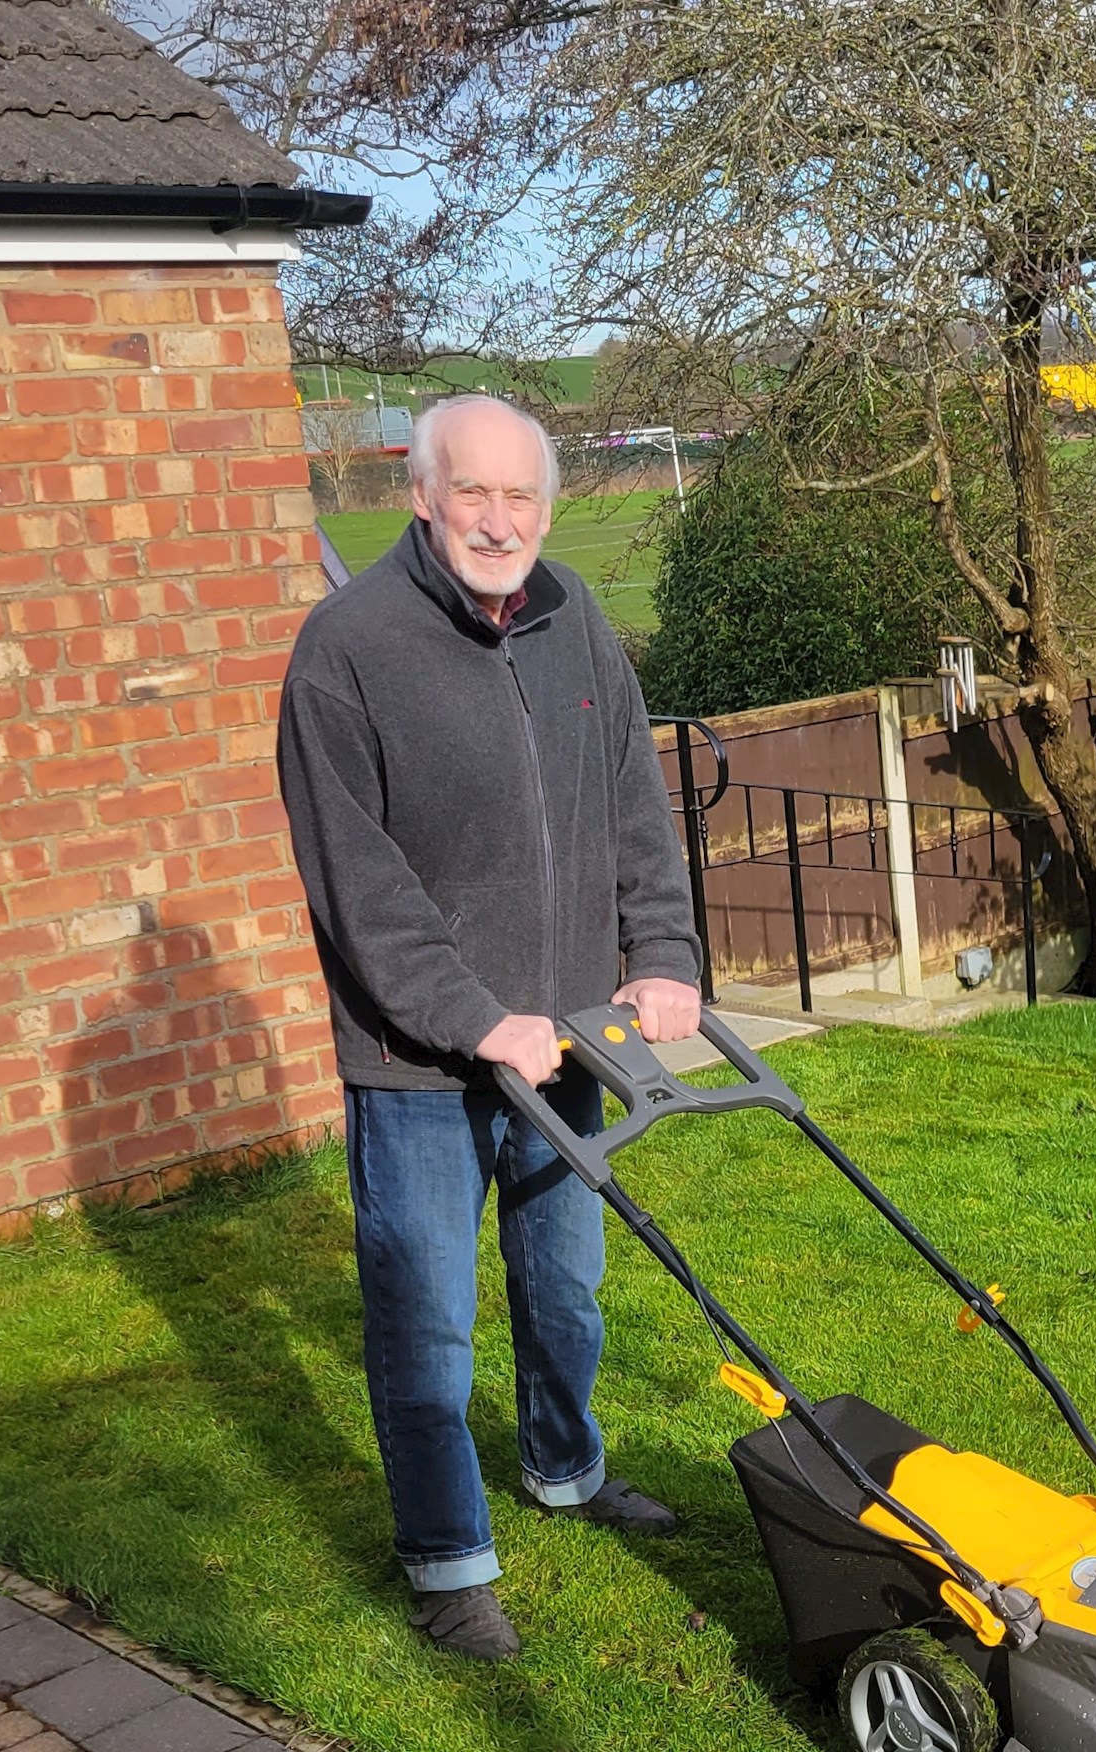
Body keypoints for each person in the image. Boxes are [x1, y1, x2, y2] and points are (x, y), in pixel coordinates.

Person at [278, 395, 702, 1662]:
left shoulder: (576, 623)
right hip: (415, 1064)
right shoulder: (345, 648)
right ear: (421, 494)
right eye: (474, 493)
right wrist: (474, 1020)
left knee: (566, 1290)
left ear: (550, 507)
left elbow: (635, 802)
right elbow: (359, 884)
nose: (500, 520)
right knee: (427, 1316)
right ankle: (450, 1562)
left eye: (523, 497)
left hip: (568, 1036)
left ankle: (566, 1471)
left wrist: (666, 954)